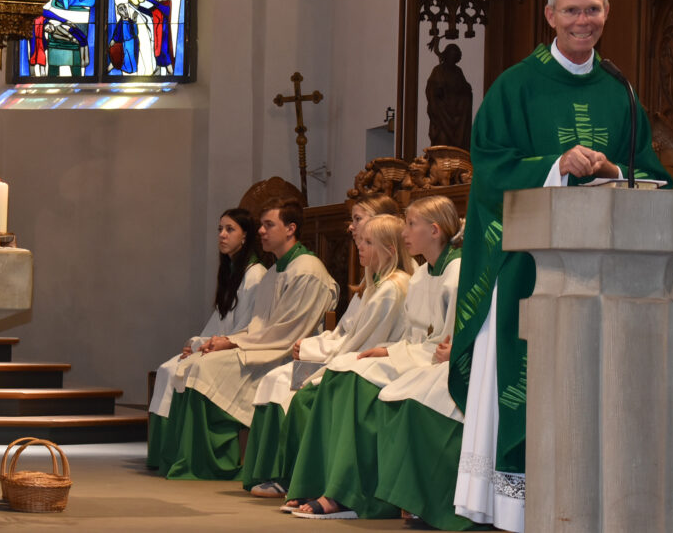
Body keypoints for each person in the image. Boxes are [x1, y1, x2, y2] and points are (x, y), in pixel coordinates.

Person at [448, 0, 672, 532]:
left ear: (606, 13)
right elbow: (490, 167)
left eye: (592, 9)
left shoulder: (620, 91)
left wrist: (611, 169)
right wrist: (556, 165)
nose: (583, 21)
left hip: (607, 285)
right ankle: (517, 513)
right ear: (550, 15)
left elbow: (653, 174)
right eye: (571, 10)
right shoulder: (516, 85)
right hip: (526, 272)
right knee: (528, 395)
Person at [284, 195, 463, 520]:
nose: (405, 232)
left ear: (435, 230)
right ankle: (326, 485)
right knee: (341, 371)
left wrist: (401, 351)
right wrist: (390, 350)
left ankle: (349, 493)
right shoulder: (422, 274)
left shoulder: (457, 271)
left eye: (411, 224)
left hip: (432, 360)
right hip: (412, 354)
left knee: (353, 378)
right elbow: (411, 335)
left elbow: (446, 339)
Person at [157, 198, 338, 480]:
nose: (261, 231)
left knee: (203, 368)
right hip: (264, 346)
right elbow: (259, 327)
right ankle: (198, 461)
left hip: (287, 354)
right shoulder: (275, 271)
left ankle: (212, 465)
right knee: (195, 364)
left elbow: (288, 332)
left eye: (269, 225)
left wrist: (232, 342)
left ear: (290, 229)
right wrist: (222, 341)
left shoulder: (308, 271)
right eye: (261, 225)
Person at [242, 211, 413, 499]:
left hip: (374, 363)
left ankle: (300, 480)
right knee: (281, 382)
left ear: (390, 249)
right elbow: (350, 334)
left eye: (368, 242)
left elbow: (362, 342)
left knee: (304, 396)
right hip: (354, 357)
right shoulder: (376, 285)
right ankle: (281, 474)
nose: (360, 246)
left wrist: (318, 361)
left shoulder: (391, 288)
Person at [146, 208, 267, 468]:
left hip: (239, 351)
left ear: (245, 235)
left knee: (190, 370)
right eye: (220, 229)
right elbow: (220, 320)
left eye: (230, 229)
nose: (222, 235)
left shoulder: (256, 275)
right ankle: (166, 455)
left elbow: (248, 328)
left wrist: (206, 346)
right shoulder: (231, 271)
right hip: (219, 346)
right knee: (168, 369)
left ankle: (193, 456)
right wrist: (197, 344)